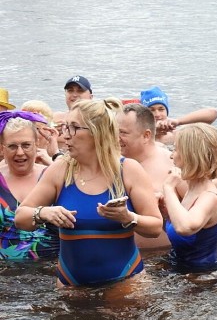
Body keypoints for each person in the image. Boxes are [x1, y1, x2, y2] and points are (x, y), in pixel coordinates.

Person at [15, 98, 162, 287]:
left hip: (125, 281)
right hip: (70, 283)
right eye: (65, 127)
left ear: (97, 133)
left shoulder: (128, 170)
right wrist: (44, 213)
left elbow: (155, 227)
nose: (65, 135)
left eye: (74, 127)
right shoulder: (60, 169)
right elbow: (21, 217)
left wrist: (128, 217)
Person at [162, 123, 217, 272]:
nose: (171, 155)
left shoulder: (209, 197)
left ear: (190, 155)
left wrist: (169, 189)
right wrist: (166, 214)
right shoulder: (192, 190)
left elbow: (185, 228)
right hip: (182, 268)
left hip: (200, 278)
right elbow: (180, 232)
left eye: (176, 149)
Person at [0, 112, 59, 260]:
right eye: (12, 146)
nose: (20, 153)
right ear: (2, 149)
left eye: (26, 145)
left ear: (36, 145)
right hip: (5, 274)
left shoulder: (54, 176)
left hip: (49, 270)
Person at [119, 103, 174, 249]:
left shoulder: (172, 165)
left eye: (123, 133)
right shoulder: (110, 164)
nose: (116, 138)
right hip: (121, 258)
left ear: (146, 135)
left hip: (161, 258)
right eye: (114, 132)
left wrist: (167, 209)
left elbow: (198, 220)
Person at [140, 86, 217, 145]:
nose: (157, 114)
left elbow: (213, 113)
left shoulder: (178, 135)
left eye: (161, 109)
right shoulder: (139, 135)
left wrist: (178, 122)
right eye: (151, 110)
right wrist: (153, 131)